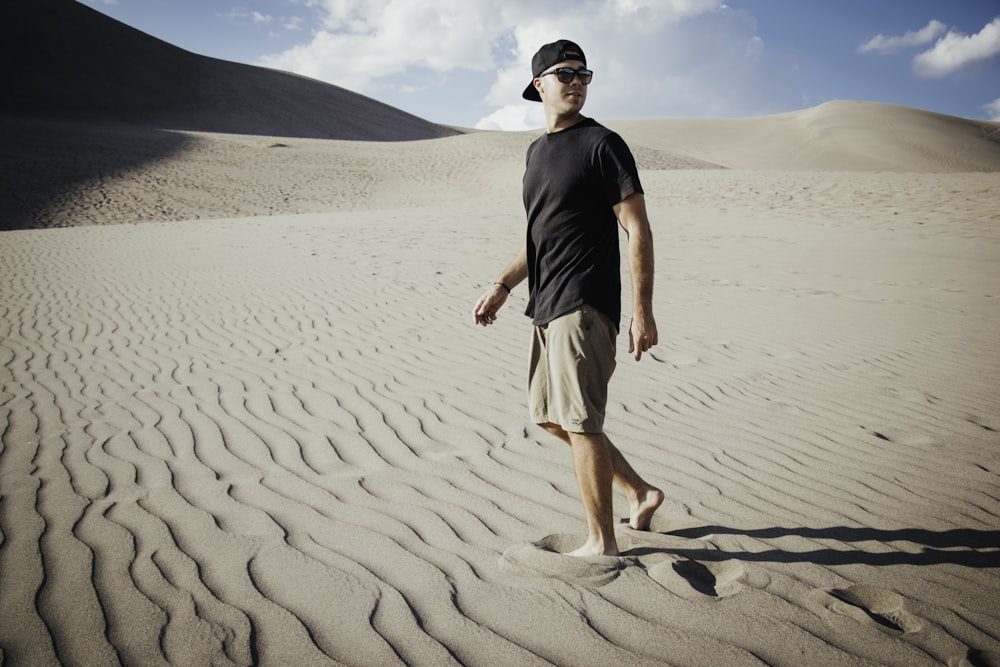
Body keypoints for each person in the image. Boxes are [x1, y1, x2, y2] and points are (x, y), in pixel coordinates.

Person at [473, 39, 664, 557]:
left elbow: (637, 227)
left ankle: (602, 543)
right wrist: (503, 285)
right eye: (564, 73)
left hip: (585, 301)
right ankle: (640, 492)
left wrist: (642, 310)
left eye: (583, 73)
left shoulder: (604, 144)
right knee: (552, 418)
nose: (576, 81)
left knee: (581, 421)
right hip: (546, 302)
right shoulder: (537, 153)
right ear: (540, 85)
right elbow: (538, 234)